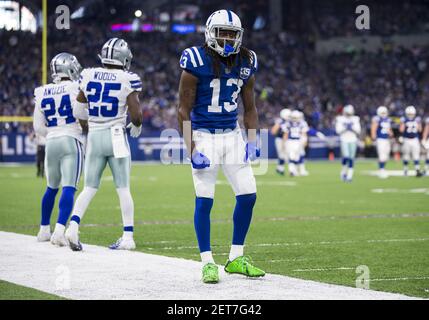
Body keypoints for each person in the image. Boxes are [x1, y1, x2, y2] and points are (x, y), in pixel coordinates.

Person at [177, 10, 265, 283]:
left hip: (232, 135)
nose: (227, 38)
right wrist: (192, 148)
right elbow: (182, 110)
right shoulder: (195, 60)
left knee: (249, 195)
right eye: (222, 32)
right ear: (210, 33)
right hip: (204, 135)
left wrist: (252, 140)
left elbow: (250, 107)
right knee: (205, 200)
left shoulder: (247, 61)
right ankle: (207, 262)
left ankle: (235, 257)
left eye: (232, 33)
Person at [65, 38, 143, 251]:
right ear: (123, 58)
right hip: (116, 135)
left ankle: (73, 226)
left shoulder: (88, 75)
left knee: (89, 187)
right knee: (123, 188)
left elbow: (78, 110)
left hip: (95, 135)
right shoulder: (128, 78)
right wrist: (136, 125)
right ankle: (127, 236)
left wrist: (88, 126)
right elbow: (136, 112)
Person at [33, 52, 85, 245]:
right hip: (71, 139)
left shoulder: (42, 91)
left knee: (51, 188)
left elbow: (37, 127)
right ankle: (60, 231)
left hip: (51, 141)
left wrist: (54, 133)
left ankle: (44, 229)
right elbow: (82, 113)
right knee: (69, 187)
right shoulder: (76, 87)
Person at [335, 105, 361, 182]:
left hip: (353, 139)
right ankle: (343, 172)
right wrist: (345, 128)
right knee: (346, 156)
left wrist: (352, 128)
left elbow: (358, 131)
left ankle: (349, 175)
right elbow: (338, 131)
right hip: (344, 139)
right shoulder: (340, 119)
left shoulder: (355, 119)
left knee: (351, 158)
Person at [283, 110, 308, 176]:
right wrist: (305, 141)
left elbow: (285, 134)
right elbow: (304, 134)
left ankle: (292, 170)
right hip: (297, 141)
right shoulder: (302, 123)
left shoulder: (288, 123)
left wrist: (284, 143)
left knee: (292, 156)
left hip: (290, 141)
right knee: (296, 156)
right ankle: (294, 171)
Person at [371, 106, 393, 179]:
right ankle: (381, 170)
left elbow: (388, 129)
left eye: (384, 112)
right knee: (382, 155)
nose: (383, 114)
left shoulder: (388, 120)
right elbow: (374, 128)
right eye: (382, 112)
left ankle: (382, 168)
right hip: (380, 139)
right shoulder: (377, 119)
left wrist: (391, 133)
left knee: (386, 155)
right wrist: (373, 136)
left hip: (386, 139)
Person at [399, 106, 422, 177]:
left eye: (411, 114)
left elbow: (419, 129)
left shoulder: (406, 120)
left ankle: (417, 170)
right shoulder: (414, 120)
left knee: (415, 155)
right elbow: (420, 129)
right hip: (408, 139)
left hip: (413, 139)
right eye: (409, 114)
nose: (410, 116)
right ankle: (406, 170)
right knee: (407, 155)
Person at [271, 108, 290, 175]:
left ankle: (279, 168)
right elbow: (273, 131)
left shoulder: (287, 122)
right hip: (280, 139)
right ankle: (280, 169)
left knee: (284, 155)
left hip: (285, 139)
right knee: (282, 154)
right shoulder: (280, 121)